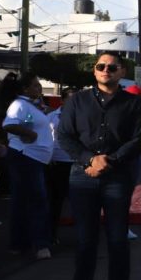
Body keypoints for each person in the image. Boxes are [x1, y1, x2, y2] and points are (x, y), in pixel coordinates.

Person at [55, 53, 141, 280]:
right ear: (95, 72)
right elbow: (64, 136)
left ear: (122, 71)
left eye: (112, 67)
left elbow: (138, 139)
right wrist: (89, 160)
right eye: (101, 67)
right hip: (82, 177)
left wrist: (111, 161)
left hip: (118, 178)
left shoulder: (135, 104)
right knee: (85, 241)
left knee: (118, 239)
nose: (106, 70)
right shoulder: (77, 101)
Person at [2, 72, 54, 259]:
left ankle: (20, 242)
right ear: (25, 89)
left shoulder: (32, 105)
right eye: (35, 85)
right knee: (36, 200)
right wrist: (30, 135)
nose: (39, 88)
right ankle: (40, 244)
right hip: (26, 157)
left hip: (35, 159)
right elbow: (9, 125)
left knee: (25, 201)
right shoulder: (19, 104)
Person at [46, 87, 76, 246]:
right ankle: (51, 234)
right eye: (70, 99)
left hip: (76, 163)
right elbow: (48, 139)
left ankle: (83, 236)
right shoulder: (51, 117)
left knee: (79, 201)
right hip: (57, 163)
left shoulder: (83, 116)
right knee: (55, 201)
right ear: (63, 100)